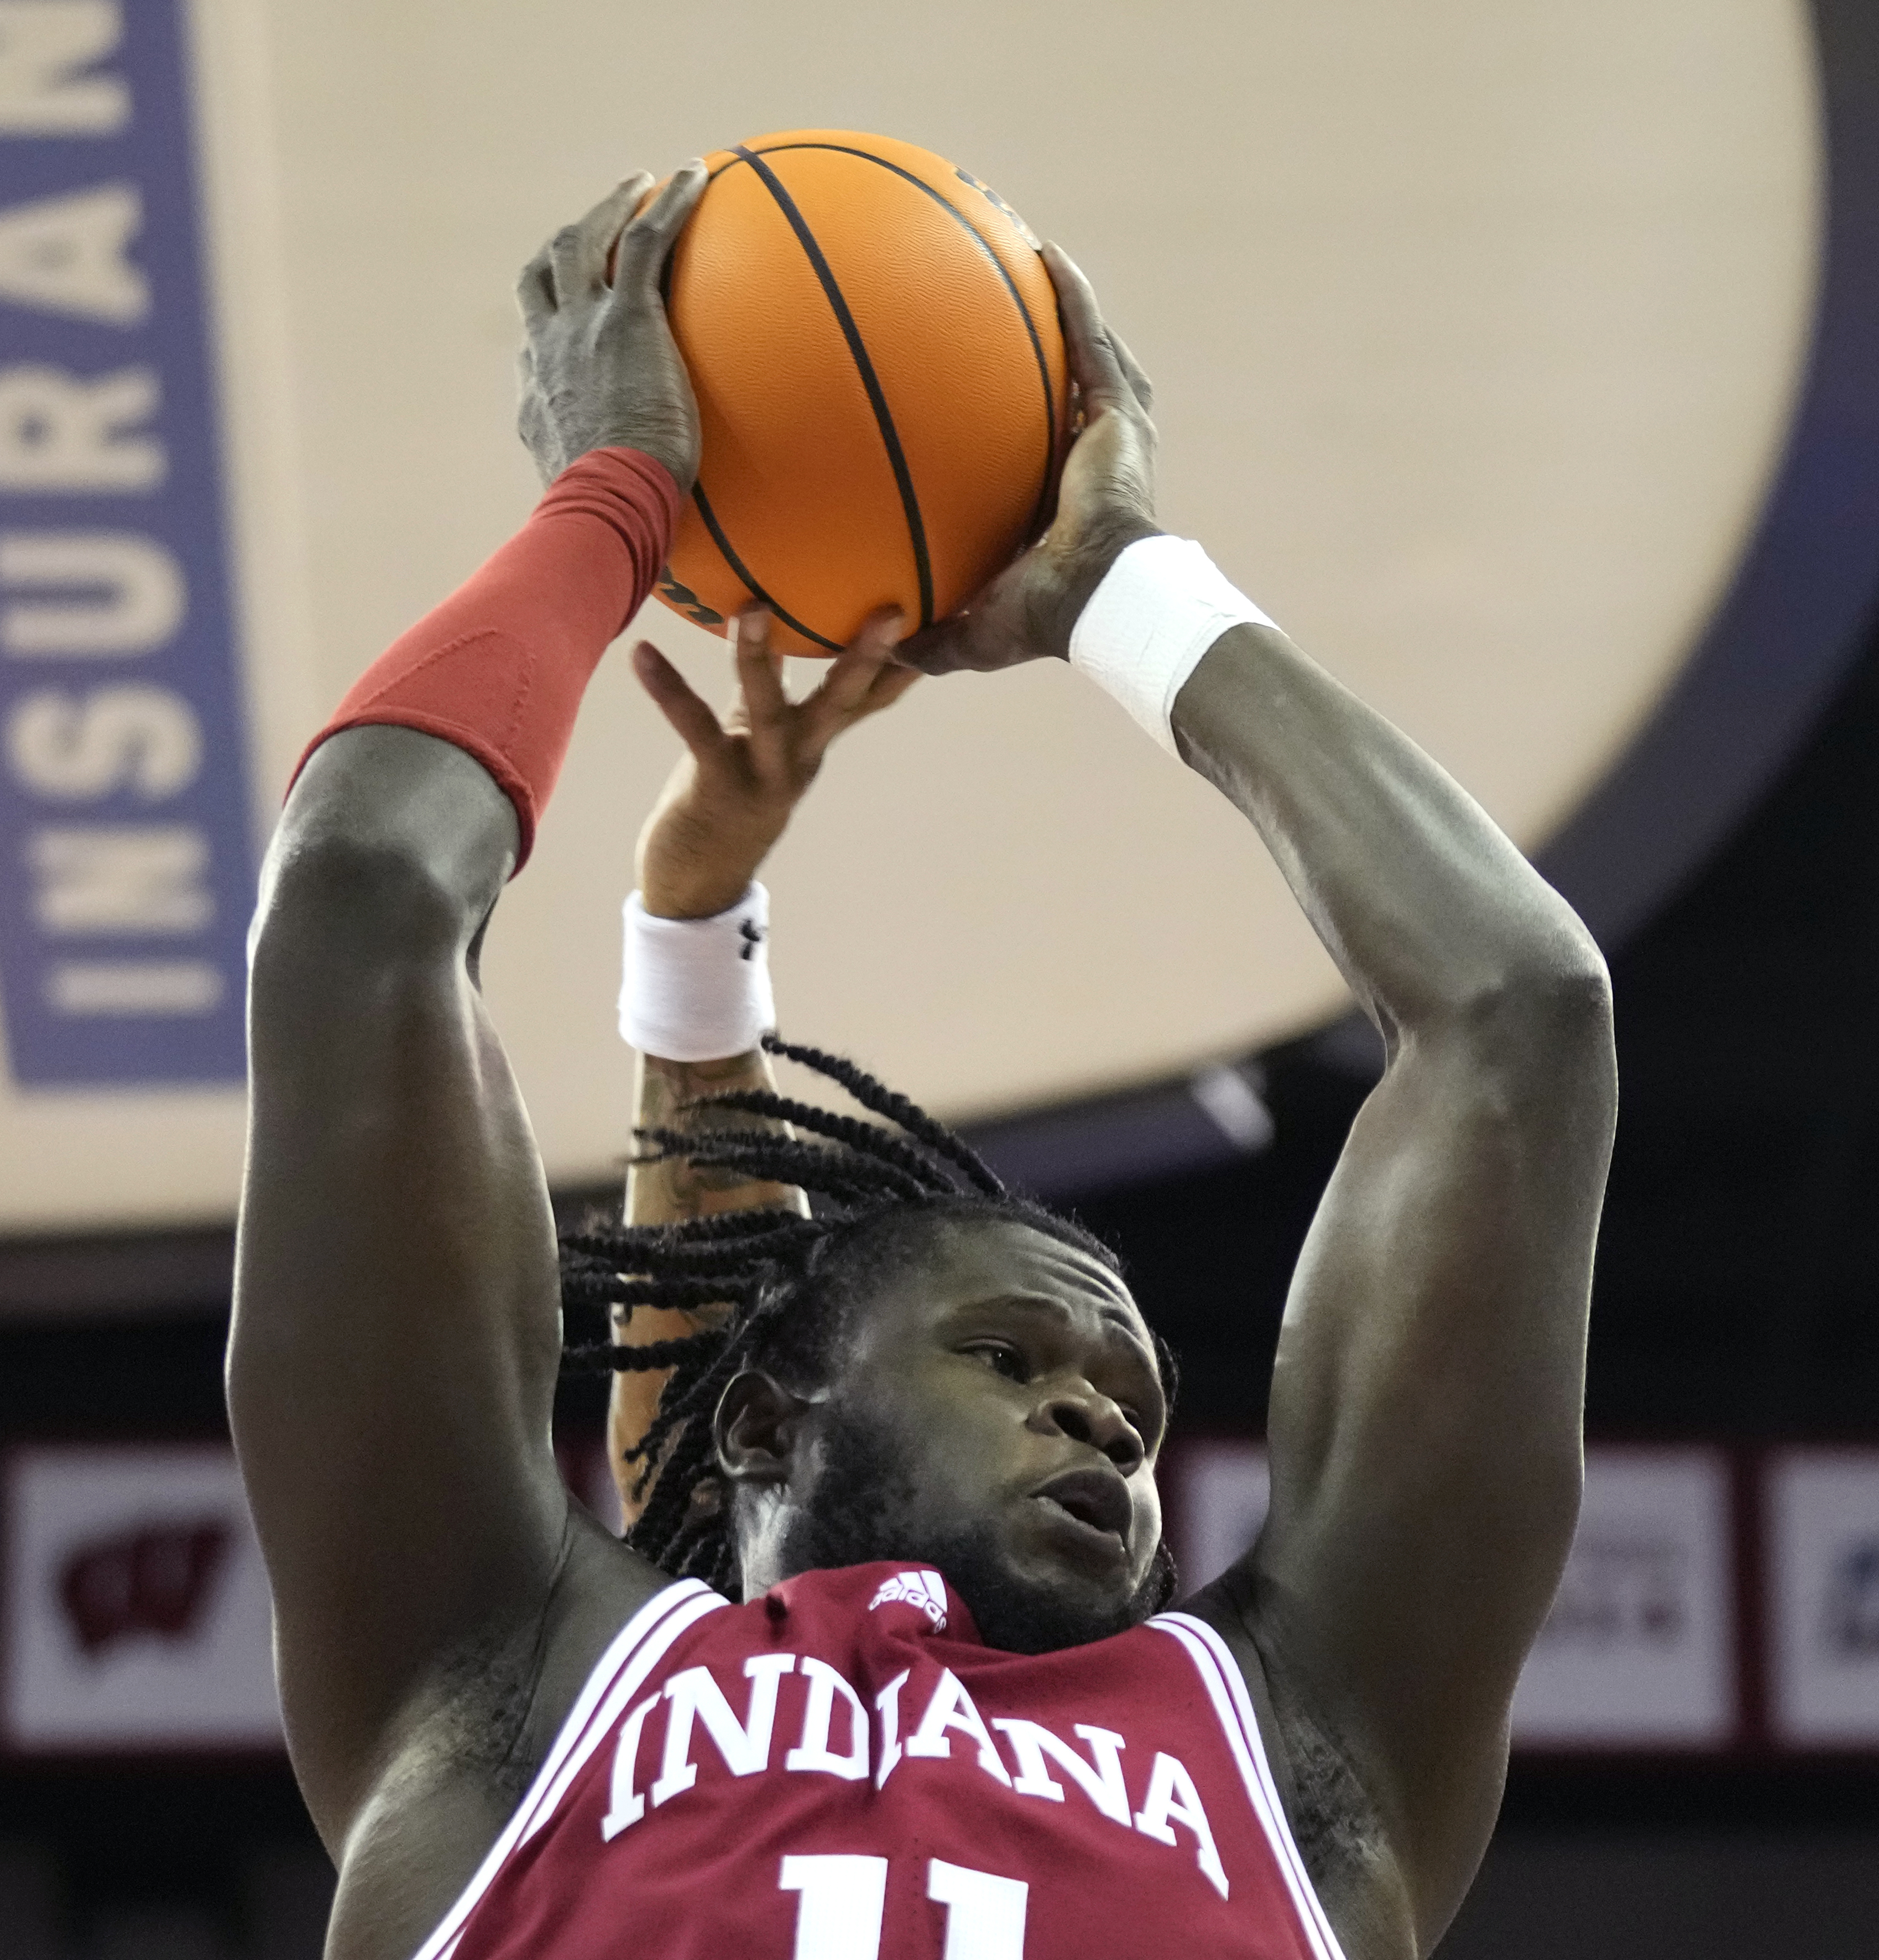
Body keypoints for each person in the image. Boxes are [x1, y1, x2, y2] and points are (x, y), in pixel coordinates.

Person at [231, 165, 1616, 1960]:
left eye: (1125, 1391)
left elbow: (1520, 1011)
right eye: (1009, 1351)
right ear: (758, 1417)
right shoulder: (505, 1694)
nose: (1102, 1414)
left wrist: (1123, 584)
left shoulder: (1298, 1755)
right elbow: (355, 900)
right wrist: (618, 491)